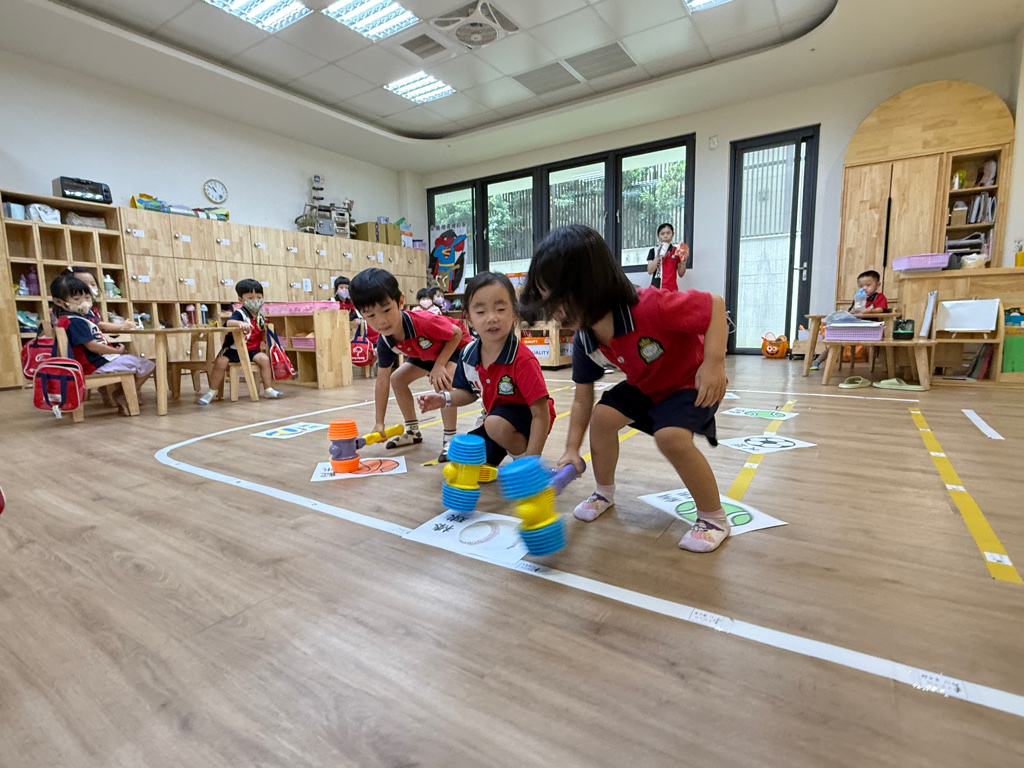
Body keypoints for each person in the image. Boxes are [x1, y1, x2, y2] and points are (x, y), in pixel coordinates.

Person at [522, 225, 730, 553]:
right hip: (647, 384)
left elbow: (714, 306)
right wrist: (571, 449)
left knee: (670, 437)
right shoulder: (586, 337)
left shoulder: (650, 305)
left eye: (557, 300)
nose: (554, 314)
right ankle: (603, 492)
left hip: (690, 382)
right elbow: (582, 399)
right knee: (602, 417)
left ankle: (714, 517)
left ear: (588, 284)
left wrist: (714, 362)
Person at [418, 272, 555, 467]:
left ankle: (522, 457)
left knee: (494, 424)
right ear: (469, 318)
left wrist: (531, 463)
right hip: (496, 417)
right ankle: (504, 446)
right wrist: (444, 399)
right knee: (467, 456)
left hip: (528, 418)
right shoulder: (468, 354)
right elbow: (468, 393)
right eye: (481, 312)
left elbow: (541, 413)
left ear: (514, 312)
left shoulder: (522, 359)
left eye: (500, 309)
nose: (492, 318)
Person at [350, 268, 470, 462]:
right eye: (370, 315)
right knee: (397, 379)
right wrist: (379, 423)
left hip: (455, 347)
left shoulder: (423, 321)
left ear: (400, 302)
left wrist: (440, 365)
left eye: (386, 310)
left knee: (442, 382)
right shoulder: (385, 341)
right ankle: (413, 431)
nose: (381, 321)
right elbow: (382, 381)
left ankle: (450, 438)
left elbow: (456, 333)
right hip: (426, 354)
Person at [50, 273, 155, 415]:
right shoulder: (75, 321)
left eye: (87, 298)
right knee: (148, 365)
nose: (84, 302)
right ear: (59, 301)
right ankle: (125, 395)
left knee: (134, 362)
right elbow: (92, 346)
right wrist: (116, 352)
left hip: (89, 364)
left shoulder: (68, 319)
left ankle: (122, 392)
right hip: (93, 365)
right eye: (76, 299)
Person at [197, 279, 284, 404]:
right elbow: (229, 323)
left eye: (259, 297)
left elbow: (262, 333)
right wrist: (239, 323)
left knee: (264, 359)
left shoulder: (260, 316)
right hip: (234, 349)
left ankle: (268, 389)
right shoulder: (240, 313)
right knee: (220, 363)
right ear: (240, 300)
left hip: (252, 350)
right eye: (250, 298)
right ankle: (212, 391)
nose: (255, 300)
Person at [809, 270, 889, 370]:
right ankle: (818, 360)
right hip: (855, 327)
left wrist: (869, 310)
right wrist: (854, 311)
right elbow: (850, 311)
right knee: (836, 341)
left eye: (868, 285)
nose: (864, 288)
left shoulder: (879, 297)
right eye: (861, 286)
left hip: (871, 330)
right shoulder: (858, 298)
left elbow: (881, 309)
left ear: (877, 285)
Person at [51, 267, 135, 333]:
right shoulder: (77, 311)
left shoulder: (89, 309)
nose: (89, 288)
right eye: (83, 284)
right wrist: (122, 326)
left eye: (93, 284)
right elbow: (99, 324)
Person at [646, 223, 689, 291]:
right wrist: (658, 255)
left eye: (668, 233)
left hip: (672, 290)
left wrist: (683, 261)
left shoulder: (677, 251)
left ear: (672, 234)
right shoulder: (653, 251)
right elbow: (650, 271)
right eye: (662, 234)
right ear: (658, 236)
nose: (665, 236)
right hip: (656, 289)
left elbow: (681, 274)